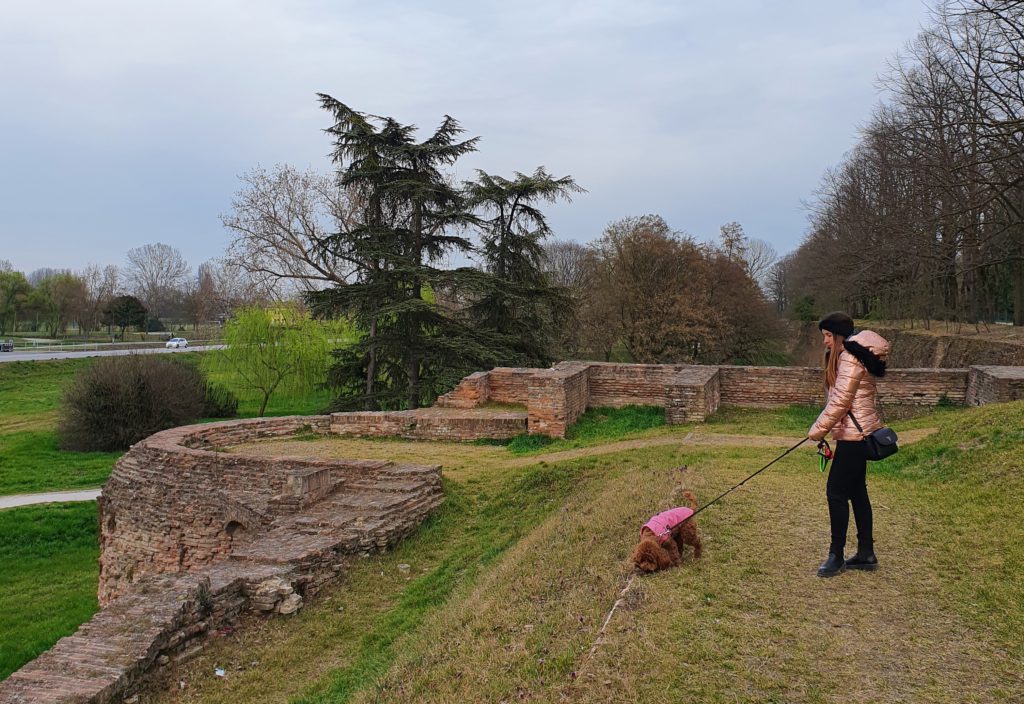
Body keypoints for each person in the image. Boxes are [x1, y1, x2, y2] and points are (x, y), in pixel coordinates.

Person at [807, 312, 890, 577]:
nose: (825, 342)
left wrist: (816, 432)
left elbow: (840, 402)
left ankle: (836, 555)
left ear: (840, 335)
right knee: (857, 492)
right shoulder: (851, 356)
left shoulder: (849, 359)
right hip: (857, 434)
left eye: (828, 336)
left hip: (855, 437)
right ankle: (866, 553)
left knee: (836, 492)